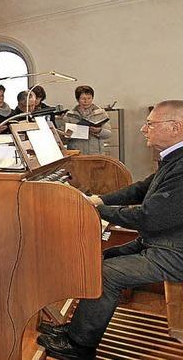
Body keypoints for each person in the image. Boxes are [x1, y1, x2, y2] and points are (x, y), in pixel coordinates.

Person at [37, 100, 183, 360]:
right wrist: (99, 200)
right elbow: (141, 189)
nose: (143, 129)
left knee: (107, 274)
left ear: (176, 128)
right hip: (162, 240)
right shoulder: (174, 158)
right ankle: (77, 329)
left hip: (173, 249)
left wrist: (92, 210)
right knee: (106, 257)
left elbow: (150, 216)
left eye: (150, 124)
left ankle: (79, 348)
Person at [63, 85, 112, 154]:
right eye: (83, 99)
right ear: (77, 99)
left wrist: (99, 131)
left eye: (89, 98)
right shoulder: (70, 115)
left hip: (96, 154)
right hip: (77, 153)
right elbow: (63, 136)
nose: (86, 101)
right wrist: (72, 132)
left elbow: (108, 134)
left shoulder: (101, 113)